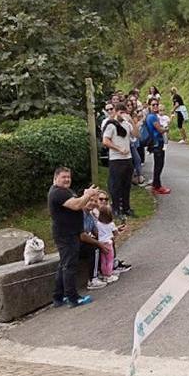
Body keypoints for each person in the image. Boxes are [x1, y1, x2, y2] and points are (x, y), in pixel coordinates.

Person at [47, 167, 99, 307]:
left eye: (68, 177)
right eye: (63, 177)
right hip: (66, 235)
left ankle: (59, 297)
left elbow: (79, 204)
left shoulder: (65, 191)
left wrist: (86, 196)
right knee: (69, 266)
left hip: (70, 233)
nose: (67, 180)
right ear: (56, 178)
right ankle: (73, 298)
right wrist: (88, 195)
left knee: (63, 265)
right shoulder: (57, 193)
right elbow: (76, 205)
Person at [103, 101, 135, 218]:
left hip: (127, 158)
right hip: (116, 159)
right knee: (116, 184)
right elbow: (105, 141)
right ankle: (116, 208)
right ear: (116, 113)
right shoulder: (111, 125)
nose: (123, 115)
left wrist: (131, 121)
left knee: (127, 184)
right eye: (121, 112)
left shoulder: (127, 124)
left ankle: (126, 207)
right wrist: (118, 148)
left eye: (125, 112)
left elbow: (137, 135)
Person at [145, 97, 170, 195]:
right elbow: (159, 130)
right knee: (159, 165)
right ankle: (157, 186)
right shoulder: (152, 117)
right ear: (149, 106)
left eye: (157, 104)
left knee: (158, 164)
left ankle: (156, 184)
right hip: (157, 143)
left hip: (157, 142)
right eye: (153, 105)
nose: (155, 106)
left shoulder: (152, 116)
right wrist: (166, 129)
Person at [93, 202, 121, 284]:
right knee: (110, 260)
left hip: (101, 243)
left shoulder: (98, 223)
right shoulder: (111, 224)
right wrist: (116, 235)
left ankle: (104, 274)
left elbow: (96, 232)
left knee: (103, 260)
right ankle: (109, 275)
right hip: (108, 243)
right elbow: (115, 232)